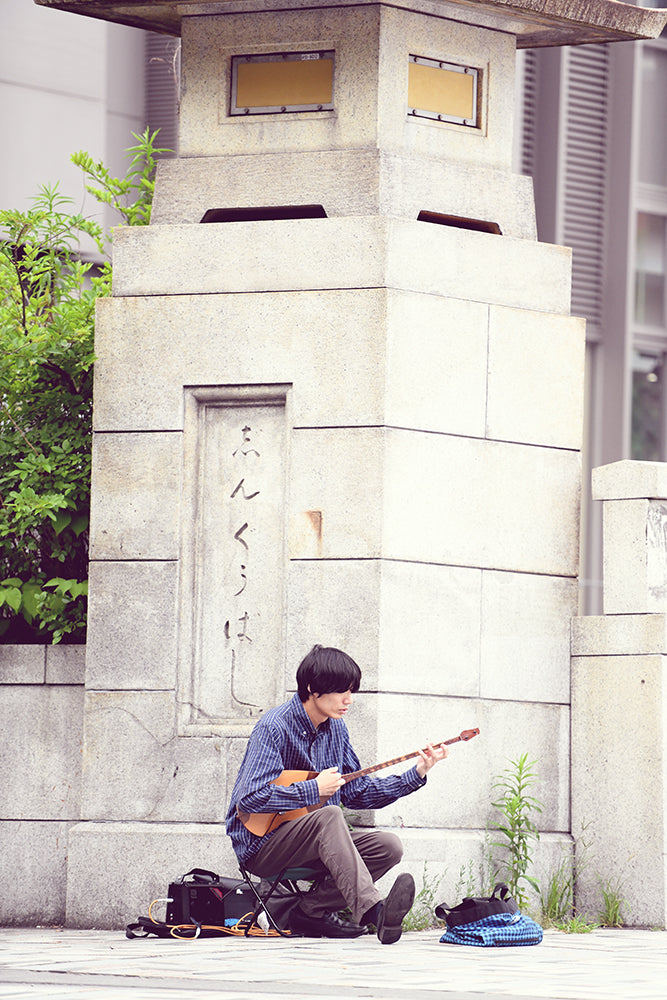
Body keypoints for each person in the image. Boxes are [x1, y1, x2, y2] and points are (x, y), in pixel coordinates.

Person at [225, 644, 448, 943]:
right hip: (262, 846)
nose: (349, 700)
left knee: (388, 846)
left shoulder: (337, 730)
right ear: (312, 688)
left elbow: (357, 793)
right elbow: (250, 799)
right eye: (342, 691)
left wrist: (416, 773)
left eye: (351, 691)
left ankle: (309, 911)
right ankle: (375, 912)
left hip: (315, 843)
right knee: (329, 816)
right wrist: (313, 789)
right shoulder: (274, 727)